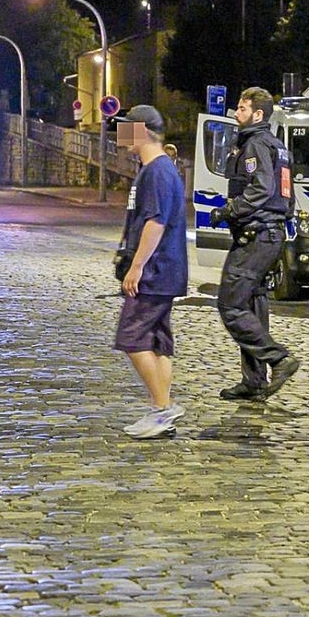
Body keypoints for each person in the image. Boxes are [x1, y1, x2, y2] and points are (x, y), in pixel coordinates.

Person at [210, 87, 300, 401]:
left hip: (257, 235)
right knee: (252, 305)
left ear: (257, 114)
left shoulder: (257, 145)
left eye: (242, 108)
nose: (236, 113)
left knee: (231, 305)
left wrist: (229, 210)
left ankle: (279, 359)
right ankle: (254, 381)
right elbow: (287, 194)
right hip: (269, 233)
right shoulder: (277, 146)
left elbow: (261, 189)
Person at [113, 105, 189, 439]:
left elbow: (155, 222)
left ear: (141, 131)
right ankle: (163, 410)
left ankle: (162, 410)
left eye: (125, 128)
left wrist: (137, 266)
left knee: (131, 337)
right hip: (166, 270)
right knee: (158, 342)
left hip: (156, 271)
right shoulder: (158, 169)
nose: (120, 135)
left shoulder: (157, 171)